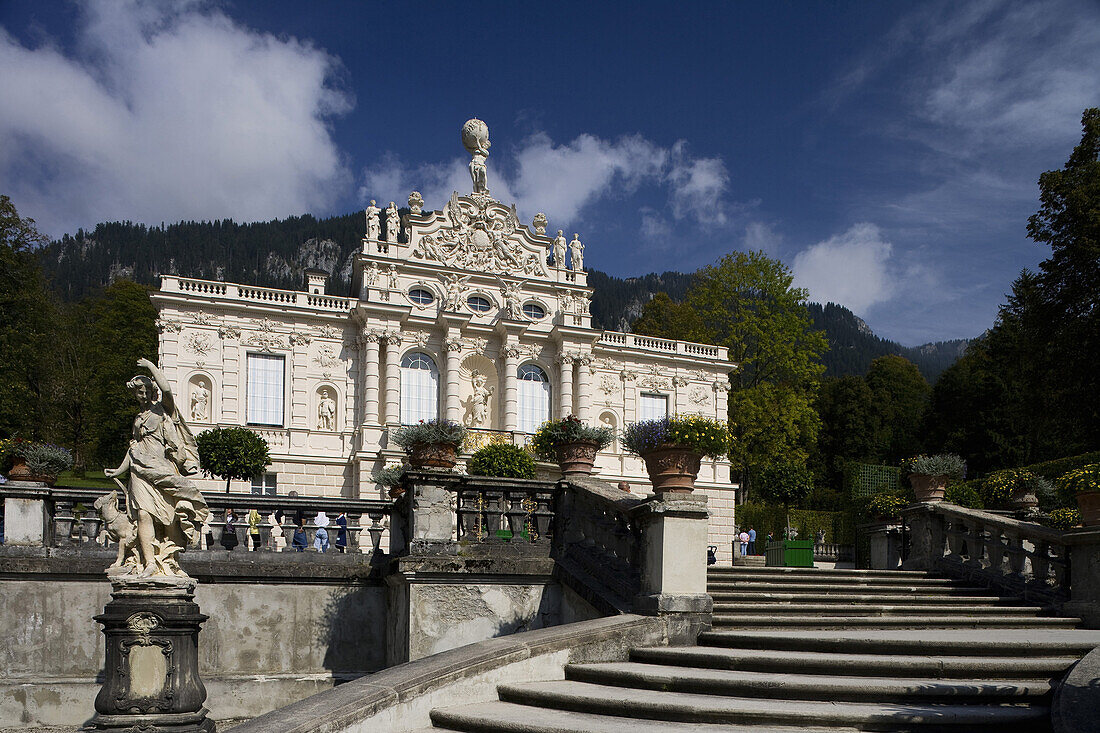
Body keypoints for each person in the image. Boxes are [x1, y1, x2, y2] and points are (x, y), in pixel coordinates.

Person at [104, 358, 211, 576]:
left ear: (153, 392)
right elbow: (134, 448)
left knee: (169, 518)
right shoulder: (138, 419)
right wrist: (119, 470)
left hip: (162, 469)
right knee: (143, 514)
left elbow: (168, 389)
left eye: (146, 391)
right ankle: (150, 562)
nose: (143, 396)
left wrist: (151, 368)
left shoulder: (163, 410)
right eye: (139, 392)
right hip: (140, 472)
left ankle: (171, 560)